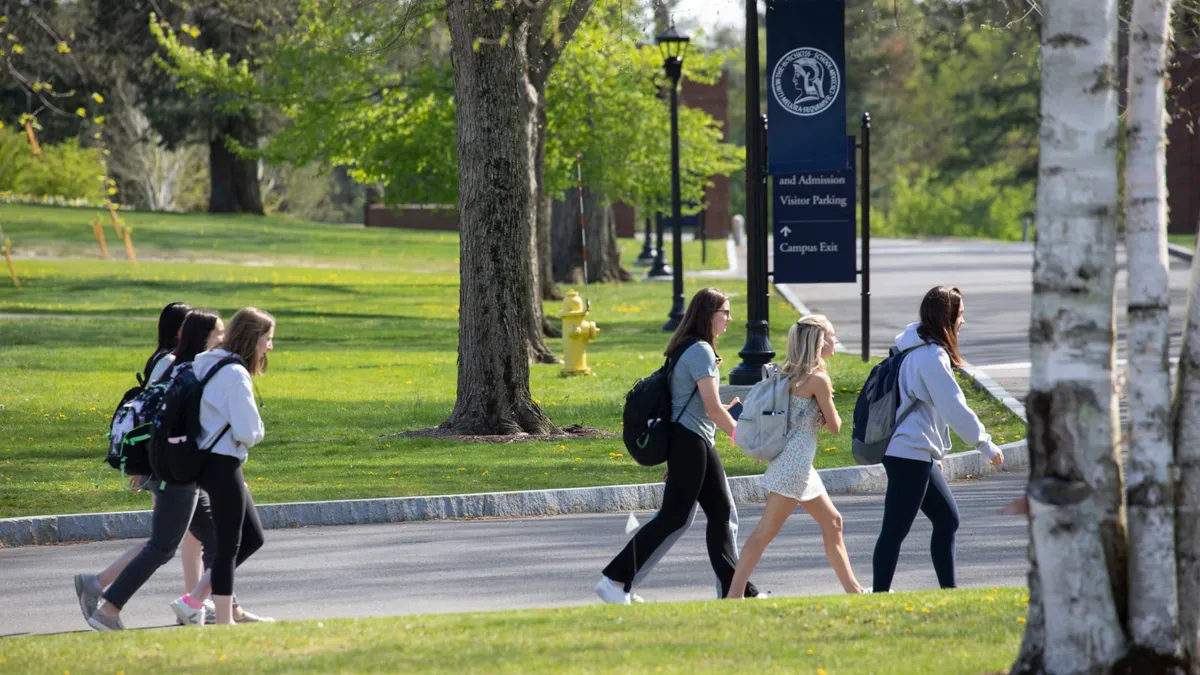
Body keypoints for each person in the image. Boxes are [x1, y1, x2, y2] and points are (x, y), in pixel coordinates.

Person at [595, 288, 758, 604]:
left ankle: (734, 592)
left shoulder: (689, 347)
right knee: (676, 517)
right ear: (709, 315)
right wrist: (746, 440)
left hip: (694, 441)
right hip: (691, 441)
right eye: (725, 312)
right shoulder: (700, 351)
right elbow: (713, 409)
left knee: (720, 515)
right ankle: (614, 580)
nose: (729, 318)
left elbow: (693, 405)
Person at [85, 310, 226, 631]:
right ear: (204, 338)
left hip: (178, 469)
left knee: (219, 540)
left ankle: (211, 608)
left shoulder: (181, 370)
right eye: (219, 333)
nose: (224, 338)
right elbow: (186, 430)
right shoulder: (191, 375)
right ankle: (108, 609)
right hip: (178, 472)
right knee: (162, 547)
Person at [871, 286, 1005, 593]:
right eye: (960, 315)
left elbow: (929, 408)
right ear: (946, 317)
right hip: (908, 452)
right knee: (895, 530)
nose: (963, 321)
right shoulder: (931, 356)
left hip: (914, 451)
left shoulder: (914, 348)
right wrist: (985, 444)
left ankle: (949, 591)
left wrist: (937, 454)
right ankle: (879, 596)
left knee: (946, 520)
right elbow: (953, 407)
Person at [727, 315, 866, 597]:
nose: (835, 340)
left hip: (797, 464)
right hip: (794, 468)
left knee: (833, 523)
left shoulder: (789, 375)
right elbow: (835, 427)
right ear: (818, 341)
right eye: (831, 335)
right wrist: (828, 409)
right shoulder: (818, 380)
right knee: (764, 533)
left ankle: (854, 591)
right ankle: (734, 595)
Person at [176, 307, 274, 626]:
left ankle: (194, 600)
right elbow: (249, 431)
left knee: (252, 537)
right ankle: (222, 620)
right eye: (267, 339)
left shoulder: (207, 362)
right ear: (253, 339)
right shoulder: (234, 374)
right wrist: (258, 429)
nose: (270, 346)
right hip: (221, 462)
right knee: (229, 544)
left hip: (205, 458)